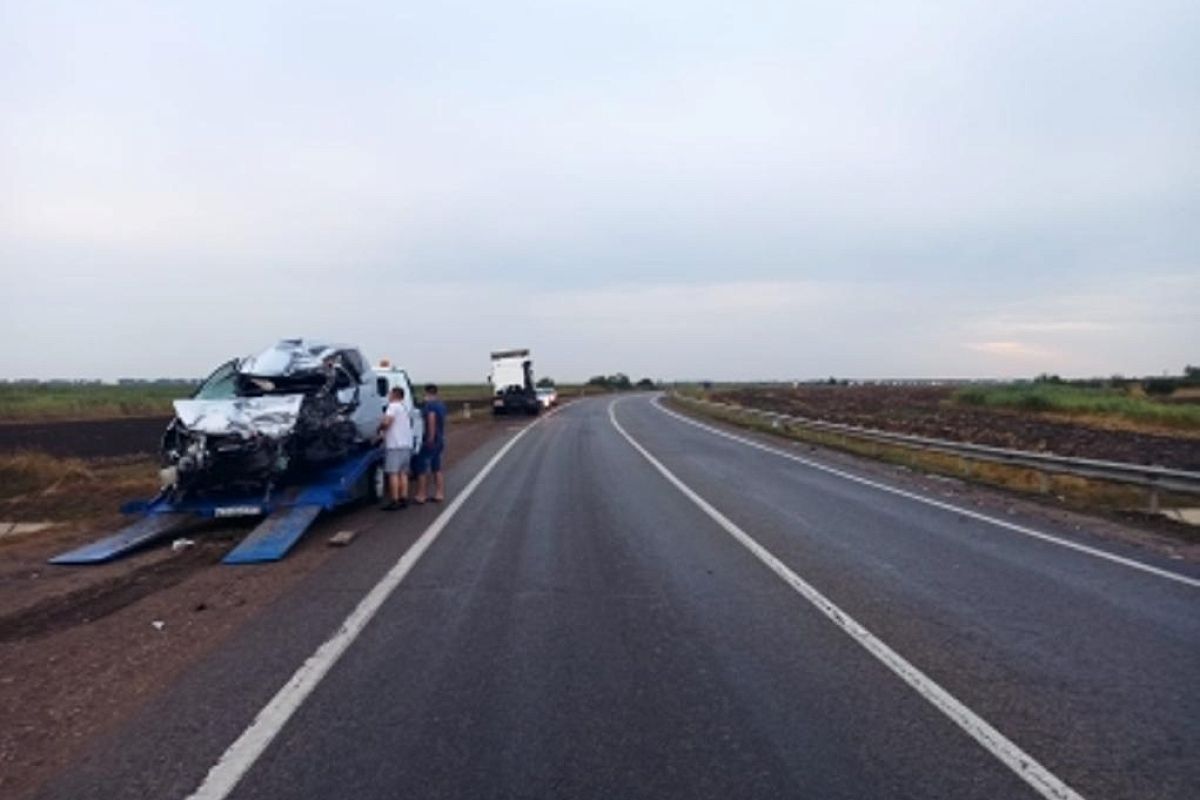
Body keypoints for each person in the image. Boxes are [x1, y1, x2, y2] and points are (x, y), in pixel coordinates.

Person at [377, 386, 413, 510]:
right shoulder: (404, 407)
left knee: (393, 474)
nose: (388, 396)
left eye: (390, 394)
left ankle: (395, 500)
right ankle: (404, 498)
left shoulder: (393, 407)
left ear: (394, 395)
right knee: (403, 473)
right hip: (406, 444)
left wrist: (379, 429)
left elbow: (387, 422)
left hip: (395, 445)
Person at [413, 384, 447, 503]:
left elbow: (431, 419)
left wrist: (430, 438)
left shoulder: (430, 406)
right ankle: (439, 493)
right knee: (436, 468)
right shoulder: (441, 405)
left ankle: (421, 495)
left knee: (422, 469)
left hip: (430, 440)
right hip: (440, 439)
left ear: (427, 393)